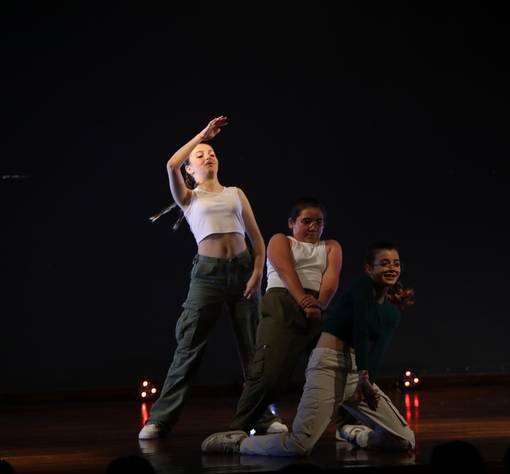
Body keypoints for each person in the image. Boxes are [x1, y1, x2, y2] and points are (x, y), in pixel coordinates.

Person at [200, 241, 416, 455]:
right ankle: (238, 443)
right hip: (328, 368)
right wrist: (364, 375)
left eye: (396, 264)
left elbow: (377, 352)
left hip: (356, 375)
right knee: (299, 445)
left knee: (405, 439)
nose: (392, 268)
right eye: (384, 263)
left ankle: (355, 434)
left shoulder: (391, 314)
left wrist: (367, 381)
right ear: (369, 269)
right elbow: (359, 327)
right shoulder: (361, 288)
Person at [139, 115, 279, 439]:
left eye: (212, 153)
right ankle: (159, 420)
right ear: (190, 169)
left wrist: (257, 273)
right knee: (188, 346)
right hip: (208, 275)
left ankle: (262, 418)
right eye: (200, 155)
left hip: (243, 271)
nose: (208, 156)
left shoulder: (235, 193)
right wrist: (202, 135)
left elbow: (257, 240)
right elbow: (170, 164)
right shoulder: (189, 198)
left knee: (253, 348)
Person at [227, 197, 343, 434]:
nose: (313, 227)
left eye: (319, 222)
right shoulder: (281, 240)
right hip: (283, 303)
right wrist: (303, 300)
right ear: (292, 222)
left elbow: (331, 280)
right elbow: (285, 271)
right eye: (306, 221)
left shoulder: (331, 246)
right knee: (269, 374)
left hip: (318, 307)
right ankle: (238, 429)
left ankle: (346, 425)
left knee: (336, 369)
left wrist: (320, 304)